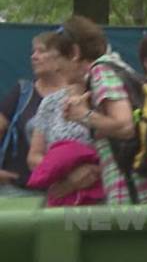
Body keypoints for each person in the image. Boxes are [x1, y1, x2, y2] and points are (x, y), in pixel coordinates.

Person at [60, 15, 147, 204]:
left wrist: (83, 115)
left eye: (60, 60)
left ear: (75, 52)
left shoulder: (101, 71)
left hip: (141, 198)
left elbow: (124, 126)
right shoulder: (117, 67)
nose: (59, 70)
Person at [26, 32, 104, 206]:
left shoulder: (105, 97)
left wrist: (93, 172)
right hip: (61, 199)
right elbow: (34, 157)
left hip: (105, 199)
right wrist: (69, 177)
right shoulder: (50, 103)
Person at [0, 32, 65, 197]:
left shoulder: (81, 94)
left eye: (41, 51)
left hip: (69, 192)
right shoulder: (22, 92)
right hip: (17, 191)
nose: (34, 57)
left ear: (63, 57)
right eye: (33, 52)